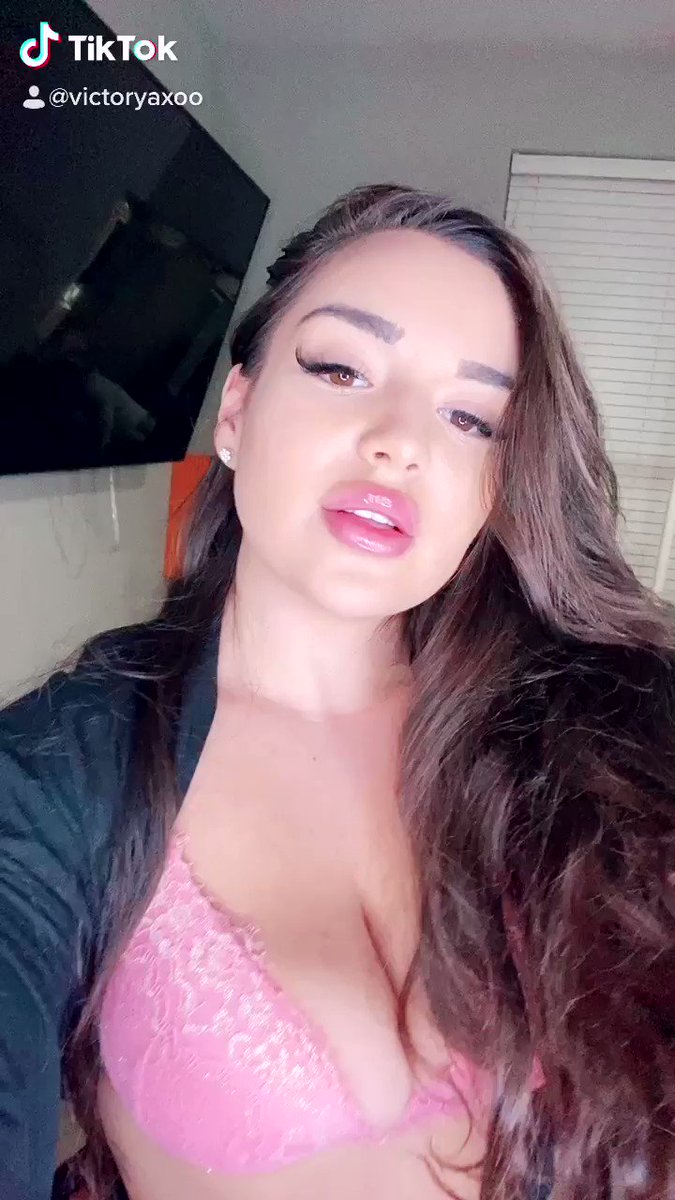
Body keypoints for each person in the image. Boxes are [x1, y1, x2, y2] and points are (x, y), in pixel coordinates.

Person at [1, 184, 673, 1200]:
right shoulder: (57, 774)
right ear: (237, 411)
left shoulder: (601, 732)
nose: (401, 440)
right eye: (341, 368)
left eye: (470, 417)